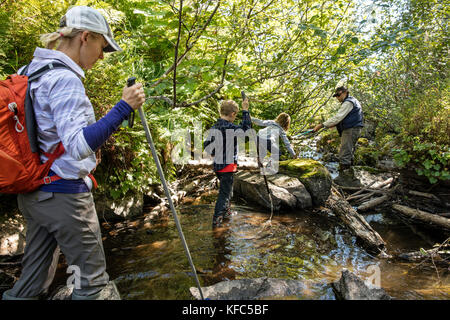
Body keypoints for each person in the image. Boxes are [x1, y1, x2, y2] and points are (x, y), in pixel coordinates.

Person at [2, 6, 145, 300]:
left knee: (33, 281)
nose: (102, 56)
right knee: (91, 284)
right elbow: (79, 146)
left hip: (34, 194)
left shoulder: (29, 71)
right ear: (85, 37)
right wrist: (123, 107)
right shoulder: (65, 79)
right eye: (102, 46)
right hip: (64, 197)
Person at [203, 99, 251, 228]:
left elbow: (206, 145)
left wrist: (215, 153)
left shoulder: (214, 127)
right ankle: (217, 221)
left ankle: (226, 213)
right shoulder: (230, 127)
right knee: (224, 194)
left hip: (218, 166)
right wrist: (245, 110)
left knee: (228, 191)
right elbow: (246, 130)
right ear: (233, 114)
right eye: (236, 115)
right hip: (228, 165)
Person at [313, 86, 363, 184]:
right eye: (336, 96)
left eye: (338, 95)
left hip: (350, 130)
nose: (337, 98)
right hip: (353, 129)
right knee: (349, 151)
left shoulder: (348, 102)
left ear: (345, 92)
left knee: (345, 152)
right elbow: (341, 119)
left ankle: (344, 178)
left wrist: (321, 125)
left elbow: (338, 117)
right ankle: (350, 177)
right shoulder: (353, 101)